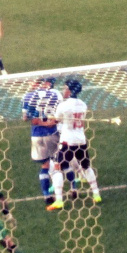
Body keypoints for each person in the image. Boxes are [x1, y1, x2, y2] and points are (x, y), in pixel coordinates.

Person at [48, 79, 102, 210]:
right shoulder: (83, 104)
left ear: (70, 90)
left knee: (57, 168)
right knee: (86, 167)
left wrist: (49, 117)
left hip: (67, 141)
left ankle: (59, 200)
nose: (63, 90)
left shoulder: (63, 105)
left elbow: (56, 120)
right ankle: (96, 194)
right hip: (81, 140)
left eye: (65, 88)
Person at [21, 77, 62, 206]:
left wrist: (39, 121)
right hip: (52, 134)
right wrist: (49, 122)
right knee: (56, 166)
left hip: (37, 135)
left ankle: (46, 195)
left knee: (44, 166)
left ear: (36, 84)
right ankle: (59, 196)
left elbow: (25, 118)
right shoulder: (53, 95)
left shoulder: (28, 97)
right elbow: (56, 116)